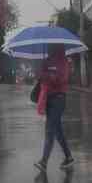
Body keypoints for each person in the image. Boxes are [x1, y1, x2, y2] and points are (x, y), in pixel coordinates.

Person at [35, 44, 74, 172]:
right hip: (48, 98)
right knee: (57, 131)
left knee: (50, 129)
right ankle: (69, 157)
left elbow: (61, 79)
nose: (50, 48)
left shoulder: (64, 61)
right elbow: (40, 75)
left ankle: (44, 162)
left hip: (59, 99)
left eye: (53, 46)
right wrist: (44, 72)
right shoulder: (46, 60)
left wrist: (49, 75)